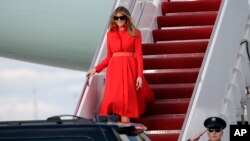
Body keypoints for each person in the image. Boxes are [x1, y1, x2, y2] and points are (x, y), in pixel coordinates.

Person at [86, 6, 154, 122]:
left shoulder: (136, 33)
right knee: (114, 99)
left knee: (125, 103)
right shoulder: (110, 34)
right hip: (115, 71)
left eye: (121, 17)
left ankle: (125, 135)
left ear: (127, 18)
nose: (119, 20)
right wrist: (96, 69)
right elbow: (109, 56)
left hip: (129, 69)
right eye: (116, 18)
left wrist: (139, 75)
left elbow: (138, 55)